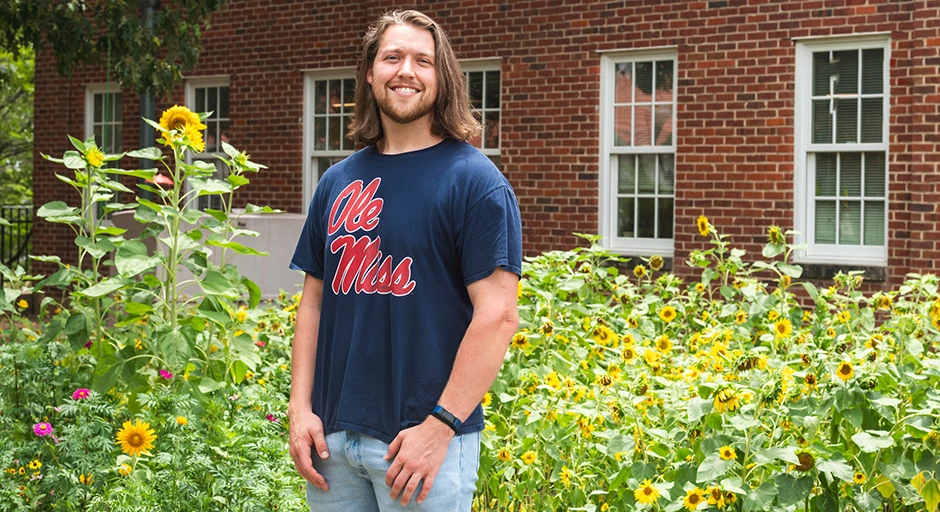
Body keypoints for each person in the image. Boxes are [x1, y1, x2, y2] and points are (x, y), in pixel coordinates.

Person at [287, 9, 522, 512]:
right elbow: (313, 305)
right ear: (370, 73)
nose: (406, 71)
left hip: (419, 448)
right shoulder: (337, 182)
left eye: (423, 60)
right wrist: (300, 409)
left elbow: (498, 316)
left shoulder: (475, 183)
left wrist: (440, 427)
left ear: (443, 78)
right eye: (392, 57)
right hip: (331, 443)